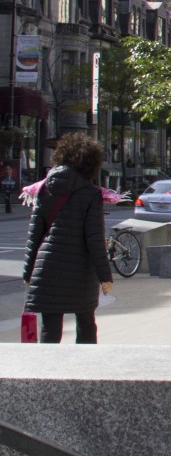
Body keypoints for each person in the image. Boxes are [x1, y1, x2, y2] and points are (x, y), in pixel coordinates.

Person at [22, 132, 114, 345]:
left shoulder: (43, 189)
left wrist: (28, 272)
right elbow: (94, 241)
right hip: (80, 272)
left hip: (47, 271)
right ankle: (83, 372)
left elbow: (34, 235)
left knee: (50, 329)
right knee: (86, 324)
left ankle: (48, 375)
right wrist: (105, 277)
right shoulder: (91, 194)